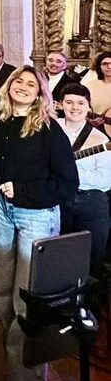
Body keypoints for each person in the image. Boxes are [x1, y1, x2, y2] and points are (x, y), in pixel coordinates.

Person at [0, 65, 78, 381]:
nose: (24, 86)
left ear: (41, 93)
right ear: (9, 86)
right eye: (20, 81)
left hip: (36, 217)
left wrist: (23, 192)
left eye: (32, 83)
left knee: (26, 307)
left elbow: (66, 184)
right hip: (2, 212)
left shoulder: (48, 129)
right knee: (2, 296)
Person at [58, 83, 110, 282]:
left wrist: (71, 171)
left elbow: (105, 180)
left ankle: (89, 307)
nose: (74, 107)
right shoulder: (51, 130)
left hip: (91, 202)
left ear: (89, 107)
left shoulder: (99, 138)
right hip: (60, 199)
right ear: (61, 104)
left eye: (81, 103)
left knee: (92, 257)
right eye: (69, 102)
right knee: (60, 254)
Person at [85, 50, 111, 119]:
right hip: (96, 127)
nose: (109, 67)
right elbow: (83, 109)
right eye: (105, 64)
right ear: (99, 67)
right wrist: (90, 120)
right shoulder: (89, 86)